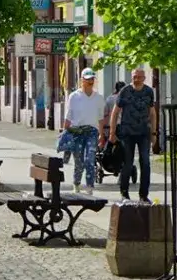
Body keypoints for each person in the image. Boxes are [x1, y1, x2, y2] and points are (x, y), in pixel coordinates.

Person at [110, 67, 159, 203]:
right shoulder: (125, 91)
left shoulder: (149, 91)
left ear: (144, 78)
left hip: (144, 132)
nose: (136, 79)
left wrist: (154, 133)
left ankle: (143, 195)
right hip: (127, 133)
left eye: (139, 77)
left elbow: (153, 113)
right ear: (131, 77)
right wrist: (112, 133)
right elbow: (115, 112)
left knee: (146, 162)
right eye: (134, 77)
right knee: (128, 163)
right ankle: (124, 193)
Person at [62, 68, 107, 194]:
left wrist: (101, 135)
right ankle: (76, 183)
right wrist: (65, 132)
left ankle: (89, 187)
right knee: (79, 161)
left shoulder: (98, 98)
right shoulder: (74, 96)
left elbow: (100, 118)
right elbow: (69, 115)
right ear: (82, 80)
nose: (90, 81)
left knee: (90, 159)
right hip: (77, 132)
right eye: (87, 79)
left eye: (92, 79)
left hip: (92, 132)